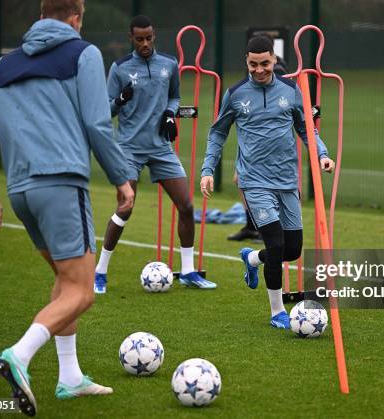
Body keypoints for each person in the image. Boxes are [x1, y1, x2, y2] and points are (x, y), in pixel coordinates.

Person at [0, 0, 134, 415]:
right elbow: (97, 123)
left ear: (42, 15)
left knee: (65, 280)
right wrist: (121, 178)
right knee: (82, 291)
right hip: (61, 182)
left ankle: (70, 377)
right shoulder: (84, 53)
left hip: (21, 191)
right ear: (77, 16)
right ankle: (19, 356)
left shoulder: (4, 66)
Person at [200, 36, 334, 329]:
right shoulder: (235, 94)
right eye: (252, 64)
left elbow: (305, 128)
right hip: (254, 181)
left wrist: (321, 154)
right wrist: (207, 169)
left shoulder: (291, 89)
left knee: (293, 250)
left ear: (274, 60)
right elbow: (218, 132)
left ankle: (252, 260)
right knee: (275, 244)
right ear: (246, 62)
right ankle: (277, 313)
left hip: (287, 181)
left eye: (264, 63)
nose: (259, 70)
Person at [94, 15, 216, 293]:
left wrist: (171, 115)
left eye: (149, 38)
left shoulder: (169, 64)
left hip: (161, 148)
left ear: (154, 35)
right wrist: (119, 100)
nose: (146, 43)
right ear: (131, 38)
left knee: (186, 206)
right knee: (125, 207)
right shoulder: (120, 68)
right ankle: (99, 272)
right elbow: (105, 111)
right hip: (128, 149)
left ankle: (187, 271)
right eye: (140, 39)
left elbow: (174, 95)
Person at [227, 54, 288, 242]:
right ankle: (252, 226)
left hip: (275, 146)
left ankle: (271, 227)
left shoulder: (280, 77)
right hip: (252, 143)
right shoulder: (246, 87)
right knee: (240, 179)